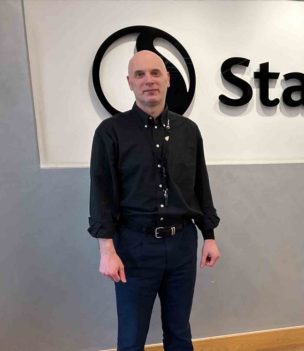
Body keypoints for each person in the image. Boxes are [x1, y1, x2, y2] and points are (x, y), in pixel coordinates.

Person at [88, 50, 220, 351]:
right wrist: (106, 249)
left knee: (179, 332)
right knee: (132, 337)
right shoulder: (111, 132)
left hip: (182, 245)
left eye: (155, 73)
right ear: (130, 83)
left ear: (168, 79)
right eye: (140, 74)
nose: (149, 80)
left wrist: (208, 235)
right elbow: (101, 192)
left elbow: (200, 185)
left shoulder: (189, 131)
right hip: (134, 247)